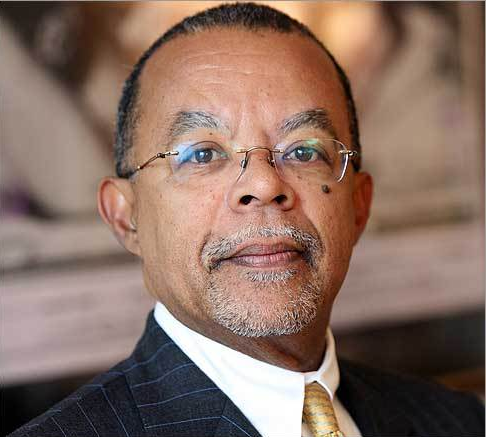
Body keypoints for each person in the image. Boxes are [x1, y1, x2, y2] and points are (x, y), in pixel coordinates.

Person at [9, 3, 484, 437]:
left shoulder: (459, 422)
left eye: (304, 150)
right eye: (202, 154)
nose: (262, 183)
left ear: (358, 206)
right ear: (125, 217)